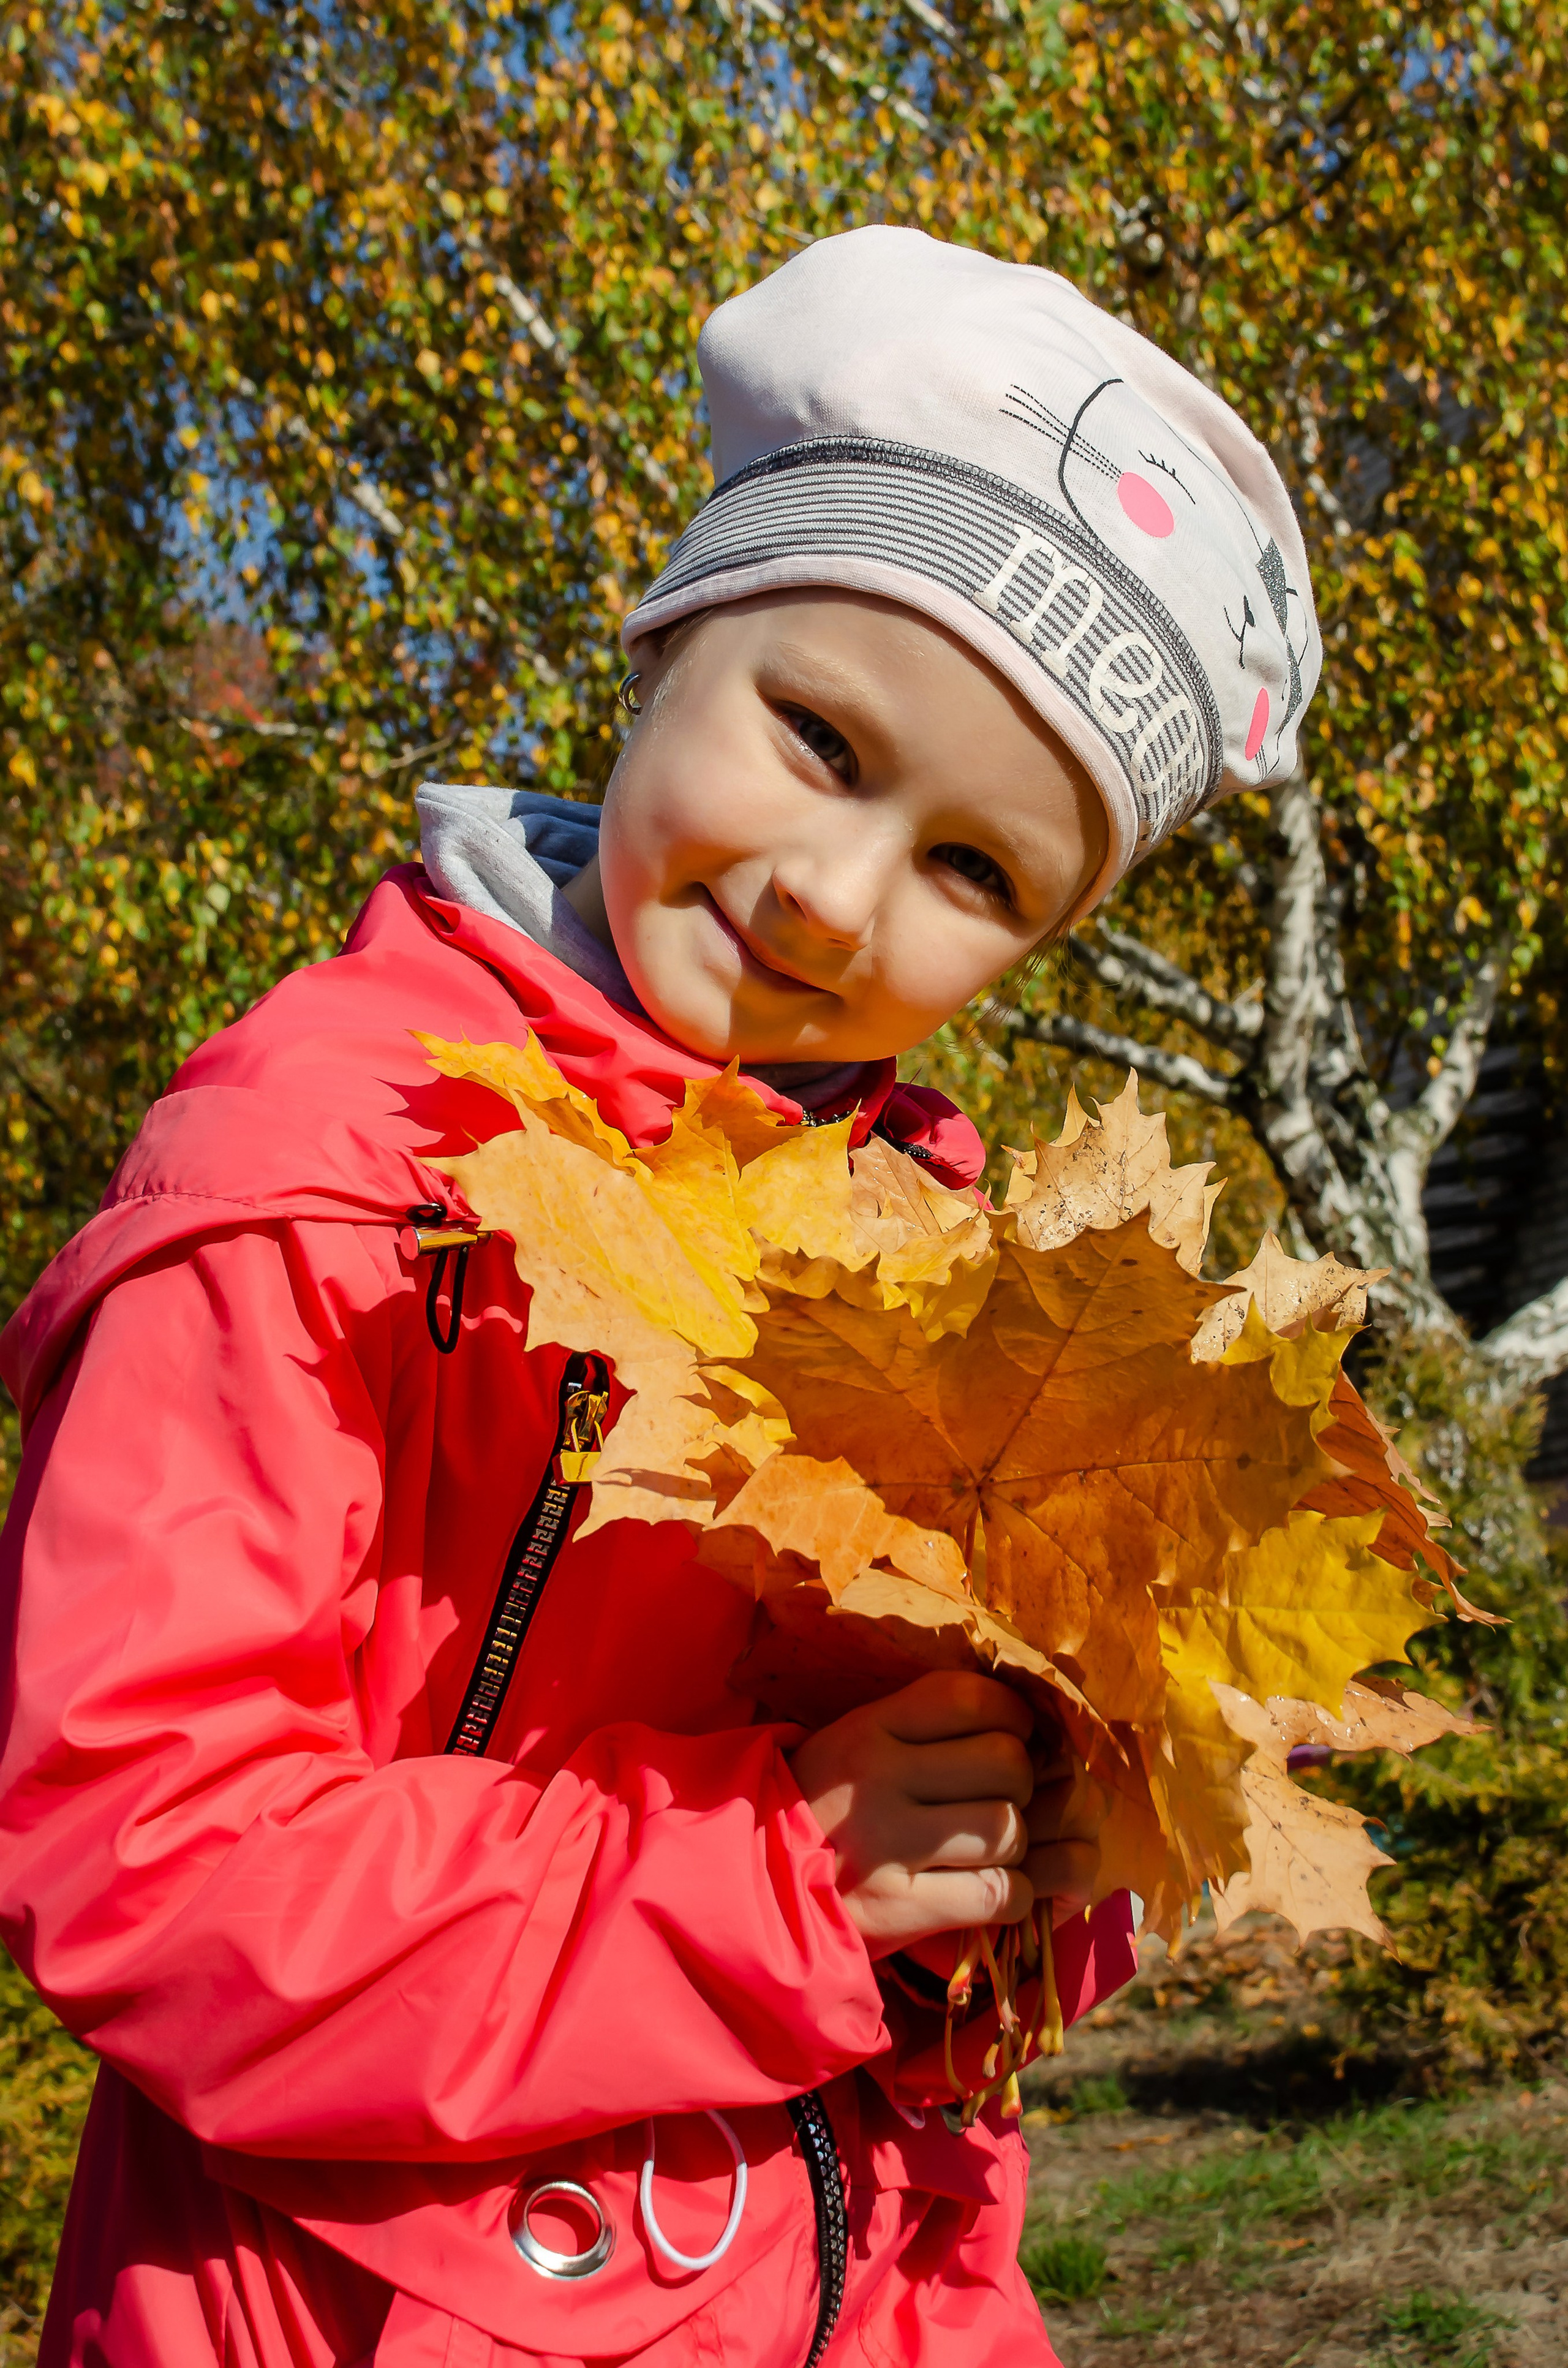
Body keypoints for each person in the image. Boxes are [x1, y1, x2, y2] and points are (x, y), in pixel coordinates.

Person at [0, 227, 1320, 2368]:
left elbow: (955, 1972)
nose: (830, 897)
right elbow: (147, 1859)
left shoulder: (951, 1281)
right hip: (347, 2306)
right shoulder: (322, 1179)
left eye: (977, 872)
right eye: (818, 735)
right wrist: (778, 1876)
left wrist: (1077, 1835)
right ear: (662, 649)